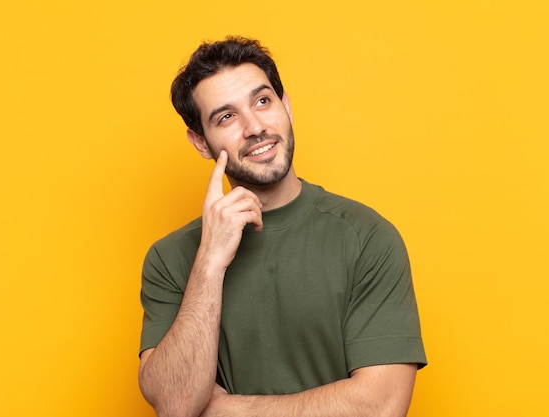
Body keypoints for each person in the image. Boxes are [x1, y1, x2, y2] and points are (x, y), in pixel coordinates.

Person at [138, 36, 427, 417]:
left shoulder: (366, 238)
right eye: (226, 117)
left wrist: (229, 411)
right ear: (201, 142)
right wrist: (209, 262)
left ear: (286, 105)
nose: (254, 127)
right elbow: (175, 407)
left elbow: (380, 406)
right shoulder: (170, 258)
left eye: (262, 101)